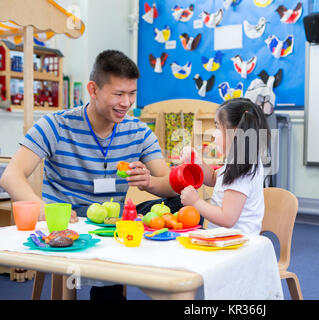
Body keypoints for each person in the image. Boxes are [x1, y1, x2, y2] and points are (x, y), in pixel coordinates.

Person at [0, 49, 182, 299]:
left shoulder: (138, 131)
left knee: (180, 202)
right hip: (67, 226)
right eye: (118, 94)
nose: (127, 103)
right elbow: (11, 176)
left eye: (132, 94)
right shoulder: (57, 125)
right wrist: (42, 208)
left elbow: (171, 185)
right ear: (93, 90)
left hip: (109, 228)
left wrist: (149, 182)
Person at [180, 98, 269, 235]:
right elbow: (215, 178)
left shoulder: (242, 167)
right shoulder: (239, 160)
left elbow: (227, 218)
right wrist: (197, 161)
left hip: (236, 243)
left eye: (217, 127)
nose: (213, 134)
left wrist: (195, 202)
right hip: (225, 239)